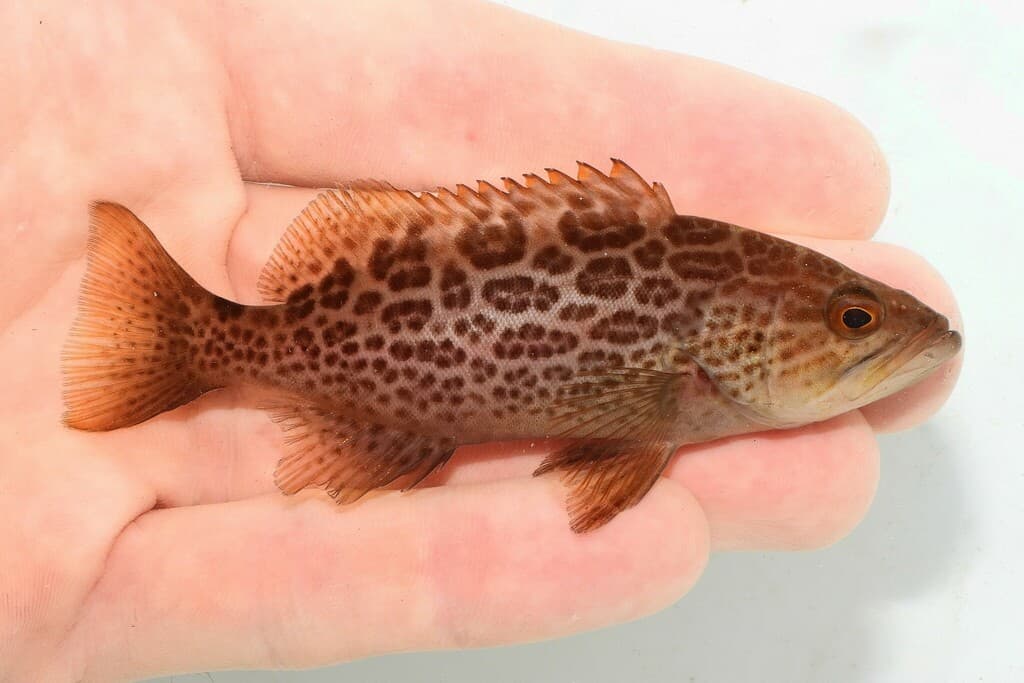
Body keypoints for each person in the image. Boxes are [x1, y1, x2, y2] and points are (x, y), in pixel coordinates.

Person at [0, 1, 961, 680]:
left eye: (856, 318)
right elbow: (617, 438)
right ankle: (184, 340)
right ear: (739, 326)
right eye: (853, 321)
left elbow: (616, 441)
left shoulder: (687, 380)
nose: (871, 337)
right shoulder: (685, 377)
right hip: (366, 382)